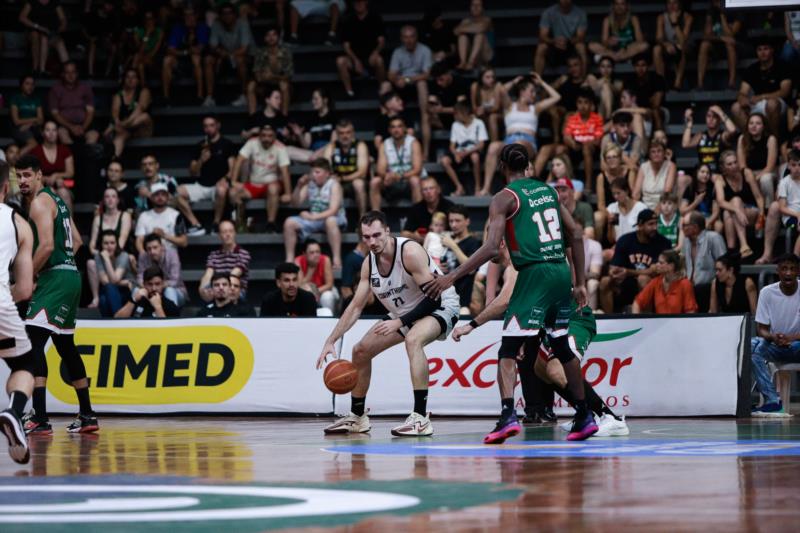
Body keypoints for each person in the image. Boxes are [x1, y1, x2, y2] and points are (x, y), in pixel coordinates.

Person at [423, 144, 592, 443]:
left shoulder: (504, 198)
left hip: (534, 274)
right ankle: (584, 415)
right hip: (561, 271)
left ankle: (506, 415)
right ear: (528, 166)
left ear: (502, 166)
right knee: (562, 347)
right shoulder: (550, 192)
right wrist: (580, 282)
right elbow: (576, 233)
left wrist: (451, 276)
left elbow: (491, 248)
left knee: (508, 350)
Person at [452, 244, 627, 437]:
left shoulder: (515, 267)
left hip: (574, 317)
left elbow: (504, 301)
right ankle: (585, 414)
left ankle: (609, 417)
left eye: (487, 245)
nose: (484, 254)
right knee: (540, 369)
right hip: (552, 320)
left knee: (554, 369)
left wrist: (471, 325)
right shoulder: (522, 261)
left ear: (502, 243)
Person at [316, 210, 460, 436]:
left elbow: (434, 298)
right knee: (360, 351)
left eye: (376, 235)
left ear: (387, 231)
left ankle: (421, 419)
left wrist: (400, 322)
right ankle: (357, 418)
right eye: (366, 237)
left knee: (413, 339)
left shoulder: (409, 252)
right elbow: (355, 307)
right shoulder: (368, 264)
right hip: (406, 311)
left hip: (442, 304)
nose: (372, 242)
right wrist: (330, 340)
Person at [16, 154, 97, 435]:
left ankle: (39, 417)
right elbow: (76, 241)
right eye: (19, 176)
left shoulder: (39, 203)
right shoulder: (58, 201)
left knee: (32, 340)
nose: (23, 181)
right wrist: (64, 268)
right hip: (71, 276)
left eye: (27, 174)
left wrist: (30, 275)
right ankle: (87, 415)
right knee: (65, 346)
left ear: (39, 175)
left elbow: (47, 246)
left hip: (56, 278)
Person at [0, 160, 35, 464]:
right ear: (5, 187)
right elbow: (24, 289)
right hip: (0, 303)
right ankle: (13, 411)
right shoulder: (18, 222)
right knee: (25, 365)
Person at [483, 74, 561, 195]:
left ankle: (515, 186)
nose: (534, 94)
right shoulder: (510, 106)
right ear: (522, 91)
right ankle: (486, 188)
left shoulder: (535, 108)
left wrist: (541, 82)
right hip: (508, 140)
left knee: (518, 145)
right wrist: (514, 82)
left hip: (527, 142)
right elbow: (499, 89)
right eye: (531, 91)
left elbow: (557, 97)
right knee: (493, 146)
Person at [751, 254, 800, 416]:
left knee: (755, 344)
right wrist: (774, 337)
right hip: (775, 345)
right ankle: (773, 401)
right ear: (777, 271)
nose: (788, 273)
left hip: (798, 345)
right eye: (784, 268)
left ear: (798, 271)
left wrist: (790, 338)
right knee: (753, 349)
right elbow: (762, 329)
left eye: (792, 269)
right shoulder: (767, 292)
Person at [599, 208, 671, 313]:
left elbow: (654, 271)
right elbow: (614, 266)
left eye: (656, 224)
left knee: (643, 279)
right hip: (626, 282)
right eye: (650, 224)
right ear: (640, 225)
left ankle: (646, 321)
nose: (655, 227)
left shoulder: (663, 243)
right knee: (605, 282)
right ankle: (610, 321)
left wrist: (628, 272)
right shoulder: (625, 240)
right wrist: (613, 273)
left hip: (653, 283)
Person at [284, 158, 346, 269]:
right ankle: (289, 260)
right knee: (289, 222)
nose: (313, 175)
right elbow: (295, 203)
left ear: (327, 173)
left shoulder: (334, 185)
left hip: (335, 218)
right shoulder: (309, 184)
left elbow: (334, 210)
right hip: (315, 219)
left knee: (330, 220)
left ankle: (337, 259)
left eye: (317, 172)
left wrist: (313, 217)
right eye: (312, 172)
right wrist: (298, 186)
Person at [229, 125, 292, 233]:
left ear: (275, 136)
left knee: (273, 188)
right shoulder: (252, 142)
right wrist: (233, 181)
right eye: (263, 135)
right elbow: (239, 160)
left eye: (270, 136)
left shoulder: (280, 147)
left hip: (271, 185)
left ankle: (271, 224)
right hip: (253, 184)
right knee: (232, 192)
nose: (266, 138)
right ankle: (241, 224)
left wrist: (288, 193)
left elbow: (285, 171)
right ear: (259, 136)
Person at [383, 26, 433, 159]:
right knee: (386, 85)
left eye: (411, 37)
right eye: (406, 37)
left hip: (418, 84)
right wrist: (397, 79)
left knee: (422, 84)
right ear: (401, 39)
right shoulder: (398, 52)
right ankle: (384, 117)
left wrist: (408, 78)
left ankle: (426, 152)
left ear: (416, 37)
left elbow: (427, 74)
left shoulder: (425, 50)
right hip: (402, 87)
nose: (409, 40)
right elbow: (391, 74)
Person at [731, 39, 791, 137]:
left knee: (772, 103)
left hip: (780, 104)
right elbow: (742, 92)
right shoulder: (752, 69)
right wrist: (742, 98)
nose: (762, 52)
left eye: (766, 49)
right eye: (759, 50)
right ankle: (750, 141)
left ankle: (773, 141)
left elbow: (785, 91)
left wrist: (762, 97)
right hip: (758, 104)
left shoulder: (782, 66)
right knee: (735, 107)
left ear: (772, 50)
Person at [188, 115, 237, 232]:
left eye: (211, 125)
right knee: (178, 193)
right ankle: (196, 224)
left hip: (219, 185)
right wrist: (201, 160)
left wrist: (225, 178)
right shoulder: (199, 146)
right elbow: (192, 173)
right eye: (205, 126)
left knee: (221, 189)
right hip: (202, 185)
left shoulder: (227, 144)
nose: (208, 129)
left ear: (218, 126)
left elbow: (233, 168)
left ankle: (216, 223)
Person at [86, 187, 132, 308]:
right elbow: (92, 244)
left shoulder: (125, 216)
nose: (110, 199)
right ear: (103, 200)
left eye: (113, 196)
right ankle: (95, 298)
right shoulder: (98, 218)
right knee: (91, 262)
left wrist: (110, 253)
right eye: (107, 196)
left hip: (118, 253)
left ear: (118, 200)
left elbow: (121, 240)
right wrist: (101, 255)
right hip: (102, 254)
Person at [714, 150, 764, 259]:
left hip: (751, 211)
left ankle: (741, 245)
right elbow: (720, 202)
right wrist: (737, 210)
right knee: (729, 212)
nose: (734, 166)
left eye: (735, 162)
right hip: (735, 214)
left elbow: (759, 197)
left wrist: (761, 216)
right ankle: (735, 250)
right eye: (729, 164)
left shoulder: (746, 173)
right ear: (723, 167)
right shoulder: (720, 180)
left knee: (735, 201)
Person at [205, 3, 254, 107]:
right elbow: (213, 46)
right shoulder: (216, 24)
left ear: (235, 15)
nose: (227, 16)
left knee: (240, 59)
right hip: (225, 58)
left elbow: (244, 49)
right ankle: (210, 97)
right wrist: (222, 53)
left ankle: (244, 95)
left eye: (229, 13)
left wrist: (227, 54)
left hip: (246, 58)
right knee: (208, 60)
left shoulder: (242, 23)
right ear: (220, 16)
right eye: (224, 13)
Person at [370, 117, 424, 210]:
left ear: (404, 129)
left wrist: (399, 176)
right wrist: (387, 175)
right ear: (389, 130)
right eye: (393, 127)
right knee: (375, 182)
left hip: (408, 181)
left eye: (399, 126)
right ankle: (375, 218)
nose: (396, 130)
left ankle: (418, 217)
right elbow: (380, 169)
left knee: (415, 180)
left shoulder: (413, 142)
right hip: (392, 181)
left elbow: (417, 169)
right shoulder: (385, 144)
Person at [336, 0, 386, 98]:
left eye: (361, 1)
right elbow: (346, 46)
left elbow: (382, 41)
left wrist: (375, 53)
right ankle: (349, 92)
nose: (358, 4)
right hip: (354, 58)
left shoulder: (375, 18)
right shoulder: (348, 20)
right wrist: (355, 60)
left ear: (366, 2)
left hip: (371, 57)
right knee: (340, 61)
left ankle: (383, 90)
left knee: (379, 60)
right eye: (356, 2)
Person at [161, 6, 210, 105]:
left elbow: (199, 49)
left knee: (196, 58)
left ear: (196, 16)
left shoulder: (202, 27)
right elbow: (170, 49)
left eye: (191, 15)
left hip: (196, 64)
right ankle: (166, 97)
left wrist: (191, 42)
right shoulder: (178, 28)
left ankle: (199, 95)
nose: (189, 18)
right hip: (180, 60)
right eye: (186, 15)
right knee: (167, 60)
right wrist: (185, 52)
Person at [759, 149, 800, 264]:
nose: (797, 168)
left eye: (799, 165)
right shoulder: (784, 182)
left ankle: (795, 259)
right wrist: (797, 215)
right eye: (793, 165)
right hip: (790, 217)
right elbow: (781, 207)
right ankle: (795, 261)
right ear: (788, 166)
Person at [681, 210, 727, 312]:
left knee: (701, 289)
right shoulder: (686, 241)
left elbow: (724, 263)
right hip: (690, 287)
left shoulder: (713, 238)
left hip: (709, 287)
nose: (682, 228)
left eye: (685, 225)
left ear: (695, 227)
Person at [439, 205, 481, 315]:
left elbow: (471, 269)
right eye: (451, 221)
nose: (453, 224)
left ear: (467, 221)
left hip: (463, 299)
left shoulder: (473, 242)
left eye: (457, 221)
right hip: (445, 297)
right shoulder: (446, 241)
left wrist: (453, 246)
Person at [322, 119, 368, 218]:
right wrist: (333, 178)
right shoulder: (331, 147)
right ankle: (334, 219)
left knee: (358, 183)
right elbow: (324, 168)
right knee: (330, 183)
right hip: (336, 182)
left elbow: (362, 172)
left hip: (353, 182)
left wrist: (343, 179)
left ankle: (363, 219)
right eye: (341, 133)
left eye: (348, 132)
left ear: (353, 133)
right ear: (337, 134)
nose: (345, 136)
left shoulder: (360, 146)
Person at [440, 101, 488, 196]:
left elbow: (481, 144)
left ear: (464, 113)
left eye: (456, 113)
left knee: (475, 157)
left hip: (473, 150)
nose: (454, 116)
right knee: (444, 161)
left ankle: (477, 186)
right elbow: (452, 146)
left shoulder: (479, 123)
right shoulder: (455, 124)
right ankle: (459, 187)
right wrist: (456, 154)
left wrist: (465, 153)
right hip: (460, 151)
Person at [104, 68, 153, 158]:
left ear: (138, 80)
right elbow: (115, 114)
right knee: (120, 137)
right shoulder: (118, 95)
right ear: (124, 79)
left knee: (144, 116)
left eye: (133, 77)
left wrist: (124, 124)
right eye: (128, 77)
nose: (130, 80)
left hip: (142, 129)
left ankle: (116, 128)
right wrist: (117, 123)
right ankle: (113, 162)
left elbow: (140, 109)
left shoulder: (144, 91)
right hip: (125, 130)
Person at [199, 221, 251, 303]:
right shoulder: (213, 255)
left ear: (235, 233)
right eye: (224, 232)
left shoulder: (243, 254)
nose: (228, 234)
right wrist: (202, 289)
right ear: (219, 235)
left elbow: (234, 275)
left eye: (230, 231)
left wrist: (219, 289)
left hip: (236, 292)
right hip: (218, 290)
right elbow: (207, 275)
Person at [48, 61, 99, 145]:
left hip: (84, 124)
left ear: (77, 74)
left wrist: (83, 127)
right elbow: (55, 114)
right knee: (62, 134)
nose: (70, 75)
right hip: (64, 125)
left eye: (73, 72)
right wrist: (71, 127)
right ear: (62, 74)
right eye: (67, 73)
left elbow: (90, 112)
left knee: (93, 136)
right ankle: (71, 157)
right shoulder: (55, 89)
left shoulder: (85, 88)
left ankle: (85, 158)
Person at [562, 88, 604, 190]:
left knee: (586, 147)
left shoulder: (597, 118)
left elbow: (598, 140)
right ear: (576, 104)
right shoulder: (572, 118)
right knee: (562, 149)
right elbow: (567, 136)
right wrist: (572, 144)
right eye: (580, 102)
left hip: (591, 149)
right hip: (576, 147)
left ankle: (588, 183)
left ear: (591, 105)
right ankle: (566, 182)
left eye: (586, 103)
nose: (583, 106)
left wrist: (586, 144)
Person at [632, 250, 698, 314]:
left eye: (661, 263)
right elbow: (637, 302)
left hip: (679, 324)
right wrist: (636, 320)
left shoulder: (685, 284)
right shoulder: (656, 282)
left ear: (671, 266)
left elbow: (690, 312)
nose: (656, 265)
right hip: (659, 323)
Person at [247, 25, 293, 115]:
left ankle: (284, 116)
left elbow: (289, 75)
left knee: (284, 85)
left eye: (274, 35)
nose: (271, 38)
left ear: (278, 37)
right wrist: (264, 77)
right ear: (265, 38)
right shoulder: (260, 52)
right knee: (250, 85)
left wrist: (273, 76)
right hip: (264, 85)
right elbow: (257, 75)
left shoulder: (286, 52)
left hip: (280, 83)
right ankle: (252, 118)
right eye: (268, 35)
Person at [534, 0, 588, 74]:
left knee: (581, 47)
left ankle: (583, 79)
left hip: (570, 45)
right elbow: (542, 36)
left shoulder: (580, 13)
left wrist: (567, 41)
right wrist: (554, 41)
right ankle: (537, 80)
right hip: (553, 45)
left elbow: (581, 36)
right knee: (541, 47)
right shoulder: (548, 12)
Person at [697, 0, 741, 90]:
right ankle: (700, 84)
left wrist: (722, 14)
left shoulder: (736, 9)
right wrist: (721, 38)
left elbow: (730, 35)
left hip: (738, 45)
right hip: (719, 44)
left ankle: (731, 83)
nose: (716, 2)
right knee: (704, 45)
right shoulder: (712, 11)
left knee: (729, 45)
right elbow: (706, 35)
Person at [594, 144, 636, 239]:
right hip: (610, 210)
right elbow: (600, 204)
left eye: (614, 157)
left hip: (627, 206)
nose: (611, 160)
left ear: (620, 158)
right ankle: (598, 248)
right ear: (605, 161)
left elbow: (633, 196)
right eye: (608, 158)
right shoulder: (601, 177)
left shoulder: (630, 173)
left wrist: (624, 211)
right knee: (597, 217)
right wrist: (610, 215)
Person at [30, 120, 74, 210]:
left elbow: (70, 172)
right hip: (42, 185)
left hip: (64, 184)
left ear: (57, 133)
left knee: (63, 193)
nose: (51, 133)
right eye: (48, 130)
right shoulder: (35, 152)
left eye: (54, 130)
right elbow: (32, 175)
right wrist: (45, 179)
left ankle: (68, 224)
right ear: (42, 133)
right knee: (50, 191)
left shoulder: (65, 150)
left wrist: (56, 176)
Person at [681, 105, 737, 174]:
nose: (711, 119)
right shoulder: (700, 135)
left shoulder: (723, 135)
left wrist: (720, 112)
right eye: (708, 116)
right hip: (704, 174)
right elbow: (685, 144)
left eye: (714, 117)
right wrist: (689, 124)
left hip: (720, 174)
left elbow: (733, 130)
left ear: (719, 119)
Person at [136, 233, 188, 309]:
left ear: (162, 247)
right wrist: (149, 288)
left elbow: (175, 281)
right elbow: (140, 278)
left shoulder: (172, 254)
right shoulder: (143, 256)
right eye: (149, 249)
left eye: (155, 247)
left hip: (175, 291)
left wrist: (158, 287)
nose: (152, 251)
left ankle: (171, 319)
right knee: (137, 291)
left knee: (169, 291)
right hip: (150, 290)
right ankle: (136, 318)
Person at [737, 113, 779, 205]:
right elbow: (742, 165)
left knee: (765, 179)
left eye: (758, 123)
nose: (754, 126)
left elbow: (770, 166)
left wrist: (756, 178)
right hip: (750, 173)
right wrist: (750, 176)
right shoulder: (742, 139)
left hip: (767, 172)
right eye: (751, 123)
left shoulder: (771, 139)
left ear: (764, 126)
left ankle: (768, 208)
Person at [134, 183, 188, 254]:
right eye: (157, 194)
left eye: (163, 194)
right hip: (150, 255)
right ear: (152, 197)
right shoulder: (144, 216)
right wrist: (143, 254)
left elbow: (184, 242)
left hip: (170, 255)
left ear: (167, 197)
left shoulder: (176, 215)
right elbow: (139, 240)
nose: (160, 197)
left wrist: (164, 235)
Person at [19, 0, 69, 76]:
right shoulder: (32, 2)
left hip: (50, 32)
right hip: (34, 30)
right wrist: (38, 27)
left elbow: (63, 19)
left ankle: (68, 70)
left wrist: (62, 26)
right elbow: (22, 18)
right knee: (37, 35)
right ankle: (37, 69)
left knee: (59, 42)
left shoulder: (55, 2)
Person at [95, 229, 135, 317]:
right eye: (106, 243)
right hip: (113, 288)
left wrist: (106, 260)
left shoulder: (123, 255)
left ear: (117, 244)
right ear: (101, 245)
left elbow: (114, 280)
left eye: (112, 243)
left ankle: (117, 320)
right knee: (103, 298)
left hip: (126, 291)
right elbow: (104, 281)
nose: (109, 246)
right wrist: (124, 282)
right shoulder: (98, 256)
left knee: (105, 297)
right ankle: (115, 321)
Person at [653, 0, 692, 91]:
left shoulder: (687, 17)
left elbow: (683, 40)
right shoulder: (661, 17)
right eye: (669, 3)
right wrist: (666, 44)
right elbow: (658, 38)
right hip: (668, 46)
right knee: (656, 49)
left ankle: (677, 83)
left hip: (685, 47)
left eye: (674, 3)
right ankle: (661, 83)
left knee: (681, 47)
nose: (672, 6)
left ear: (680, 4)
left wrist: (675, 23)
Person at [401, 177, 454, 243]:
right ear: (421, 192)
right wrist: (414, 236)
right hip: (422, 246)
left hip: (446, 245)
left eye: (431, 188)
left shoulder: (449, 207)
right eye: (425, 189)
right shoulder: (416, 209)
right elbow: (404, 233)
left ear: (438, 190)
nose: (428, 192)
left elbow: (457, 231)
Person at [115, 266, 181, 319]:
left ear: (163, 284)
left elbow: (169, 332)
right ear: (144, 284)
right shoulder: (136, 301)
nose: (153, 288)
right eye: (150, 284)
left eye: (157, 284)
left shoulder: (170, 305)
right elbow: (117, 321)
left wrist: (158, 307)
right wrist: (133, 300)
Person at [624, 54, 666, 132]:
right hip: (637, 109)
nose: (640, 69)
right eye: (637, 66)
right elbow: (626, 101)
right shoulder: (630, 80)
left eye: (643, 65)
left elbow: (656, 103)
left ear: (648, 66)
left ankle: (659, 136)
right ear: (634, 67)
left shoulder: (657, 79)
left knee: (655, 111)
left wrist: (639, 101)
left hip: (659, 110)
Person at [295, 239, 339, 314]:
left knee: (328, 297)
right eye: (312, 252)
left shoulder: (325, 259)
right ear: (304, 254)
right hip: (306, 291)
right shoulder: (298, 261)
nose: (316, 255)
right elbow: (299, 285)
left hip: (323, 290)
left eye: (318, 252)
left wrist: (315, 291)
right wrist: (311, 269)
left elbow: (329, 285)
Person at [633, 140, 676, 210]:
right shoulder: (644, 166)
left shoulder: (670, 166)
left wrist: (656, 211)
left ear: (664, 153)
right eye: (653, 152)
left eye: (659, 151)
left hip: (664, 205)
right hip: (644, 206)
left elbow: (667, 191)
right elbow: (636, 192)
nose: (656, 154)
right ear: (649, 155)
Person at [606, 176, 648, 245]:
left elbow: (645, 235)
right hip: (619, 246)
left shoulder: (641, 208)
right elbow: (611, 240)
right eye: (613, 194)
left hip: (636, 245)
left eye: (618, 193)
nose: (615, 196)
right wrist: (610, 225)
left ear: (626, 191)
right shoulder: (612, 208)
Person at [9, 74, 44, 156]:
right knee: (33, 144)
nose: (30, 86)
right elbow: (16, 121)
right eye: (27, 83)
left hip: (33, 128)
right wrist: (35, 119)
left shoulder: (36, 99)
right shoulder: (15, 99)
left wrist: (30, 124)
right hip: (19, 129)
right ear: (21, 85)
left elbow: (41, 119)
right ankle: (12, 161)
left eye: (32, 84)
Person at [454, 0, 493, 71]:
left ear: (482, 8)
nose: (475, 7)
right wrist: (472, 28)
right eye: (473, 5)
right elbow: (456, 31)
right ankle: (463, 62)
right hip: (470, 52)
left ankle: (471, 62)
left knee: (479, 35)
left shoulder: (487, 20)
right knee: (462, 36)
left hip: (484, 55)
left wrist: (464, 28)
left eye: (478, 5)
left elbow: (481, 28)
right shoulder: (466, 21)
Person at [470, 67, 506, 142]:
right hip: (483, 115)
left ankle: (493, 144)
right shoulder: (475, 87)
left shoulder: (497, 86)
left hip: (498, 115)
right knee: (472, 117)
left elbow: (496, 107)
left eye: (492, 77)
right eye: (487, 77)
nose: (491, 80)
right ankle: (473, 147)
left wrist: (485, 110)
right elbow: (474, 106)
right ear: (481, 78)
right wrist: (477, 111)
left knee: (492, 117)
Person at [129, 9, 163, 84]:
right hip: (142, 58)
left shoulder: (159, 32)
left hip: (154, 59)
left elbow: (156, 50)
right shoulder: (138, 32)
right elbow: (140, 49)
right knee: (140, 65)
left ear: (154, 20)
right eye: (146, 19)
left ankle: (130, 79)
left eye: (150, 19)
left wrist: (148, 57)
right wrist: (147, 35)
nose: (149, 21)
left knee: (137, 58)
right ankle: (142, 86)